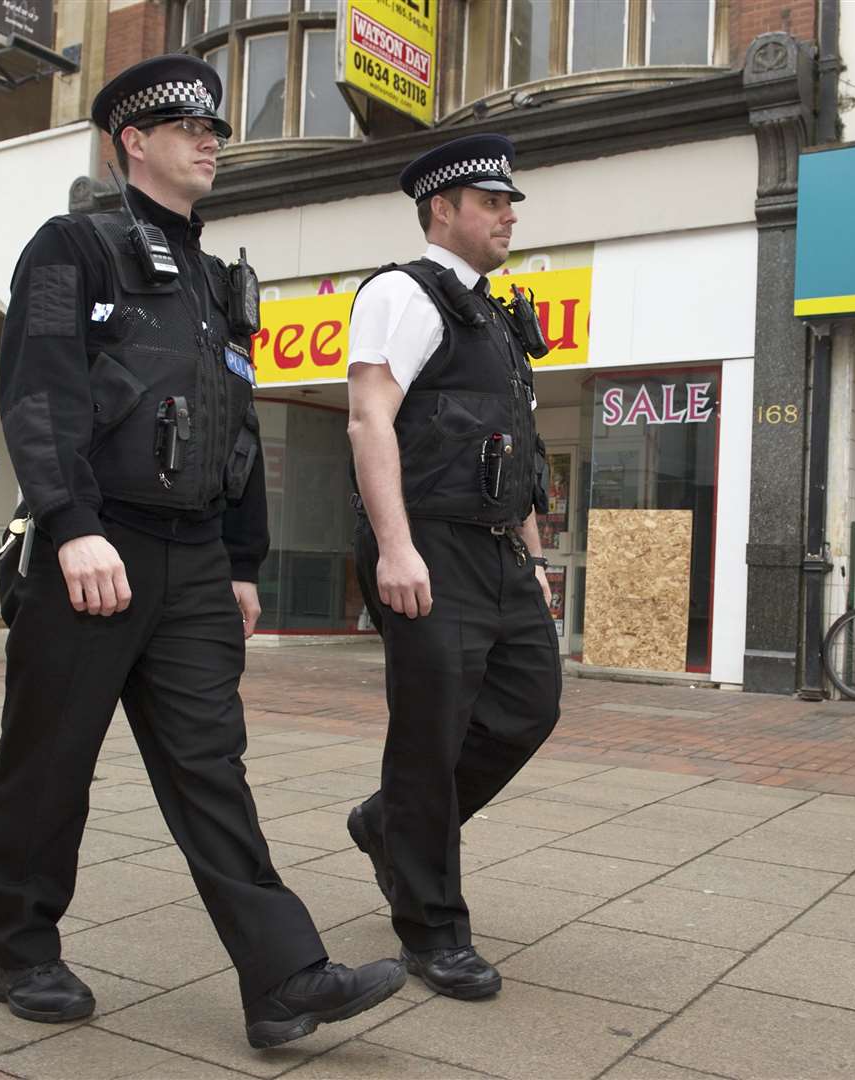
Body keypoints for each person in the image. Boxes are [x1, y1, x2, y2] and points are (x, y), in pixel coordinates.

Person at [0, 55, 402, 1049]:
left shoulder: (214, 281)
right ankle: (21, 949)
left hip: (195, 563)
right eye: (190, 127)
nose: (214, 140)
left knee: (214, 770)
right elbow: (40, 392)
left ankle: (284, 979)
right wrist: (71, 524)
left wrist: (244, 561)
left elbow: (234, 424)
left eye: (216, 128)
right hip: (97, 548)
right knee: (50, 763)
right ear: (134, 140)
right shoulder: (71, 249)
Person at [345, 133, 562, 1000]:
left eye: (510, 203)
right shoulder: (404, 292)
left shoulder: (496, 316)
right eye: (492, 202)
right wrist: (394, 547)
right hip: (428, 543)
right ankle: (432, 930)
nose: (508, 214)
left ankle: (388, 827)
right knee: (430, 738)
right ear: (443, 208)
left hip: (501, 550)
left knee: (527, 709)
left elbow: (522, 455)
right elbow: (368, 420)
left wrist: (537, 559)